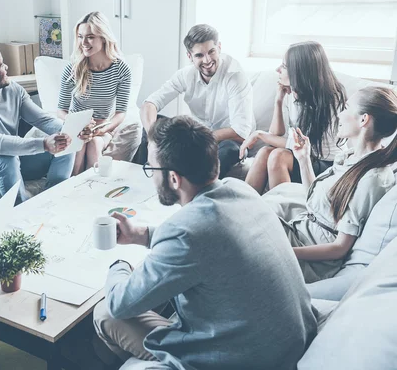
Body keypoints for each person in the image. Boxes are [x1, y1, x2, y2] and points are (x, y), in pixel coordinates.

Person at [93, 116, 316, 369]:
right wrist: (142, 235)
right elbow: (210, 242)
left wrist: (118, 264)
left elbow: (118, 304)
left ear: (174, 179)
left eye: (151, 169)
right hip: (287, 342)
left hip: (242, 359)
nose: (152, 177)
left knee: (105, 313)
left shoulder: (185, 233)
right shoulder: (239, 190)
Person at [263, 86, 397, 283]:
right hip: (299, 232)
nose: (340, 115)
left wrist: (285, 252)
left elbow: (339, 248)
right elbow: (318, 203)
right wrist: (303, 159)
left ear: (363, 119)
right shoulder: (350, 157)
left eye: (346, 108)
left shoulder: (372, 179)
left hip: (312, 256)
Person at [0, 44, 75, 202]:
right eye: (2, 65)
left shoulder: (12, 90)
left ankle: (55, 199)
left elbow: (42, 119)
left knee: (64, 140)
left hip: (17, 159)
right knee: (5, 157)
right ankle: (20, 212)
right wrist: (43, 144)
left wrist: (72, 129)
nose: (7, 67)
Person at [139, 24, 254, 178]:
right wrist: (152, 140)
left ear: (219, 48)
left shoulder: (235, 76)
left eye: (211, 52)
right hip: (197, 135)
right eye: (199, 55)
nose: (207, 60)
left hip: (228, 139)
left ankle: (198, 191)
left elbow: (241, 132)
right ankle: (141, 180)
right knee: (156, 124)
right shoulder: (185, 75)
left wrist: (197, 139)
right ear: (190, 57)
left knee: (230, 150)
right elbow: (150, 104)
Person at [241, 41, 346, 194]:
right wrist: (278, 101)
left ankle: (282, 212)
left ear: (300, 71)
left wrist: (259, 134)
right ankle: (243, 208)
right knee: (264, 152)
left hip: (326, 164)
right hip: (304, 155)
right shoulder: (294, 91)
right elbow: (276, 133)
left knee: (278, 156)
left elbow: (305, 147)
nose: (278, 70)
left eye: (284, 66)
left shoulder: (332, 100)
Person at [58, 11, 132, 175]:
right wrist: (76, 124)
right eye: (80, 36)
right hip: (75, 126)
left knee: (94, 145)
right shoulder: (73, 69)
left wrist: (100, 130)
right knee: (77, 146)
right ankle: (71, 189)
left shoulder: (121, 70)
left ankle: (92, 189)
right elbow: (61, 110)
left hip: (103, 127)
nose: (83, 42)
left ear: (103, 38)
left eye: (90, 37)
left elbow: (120, 113)